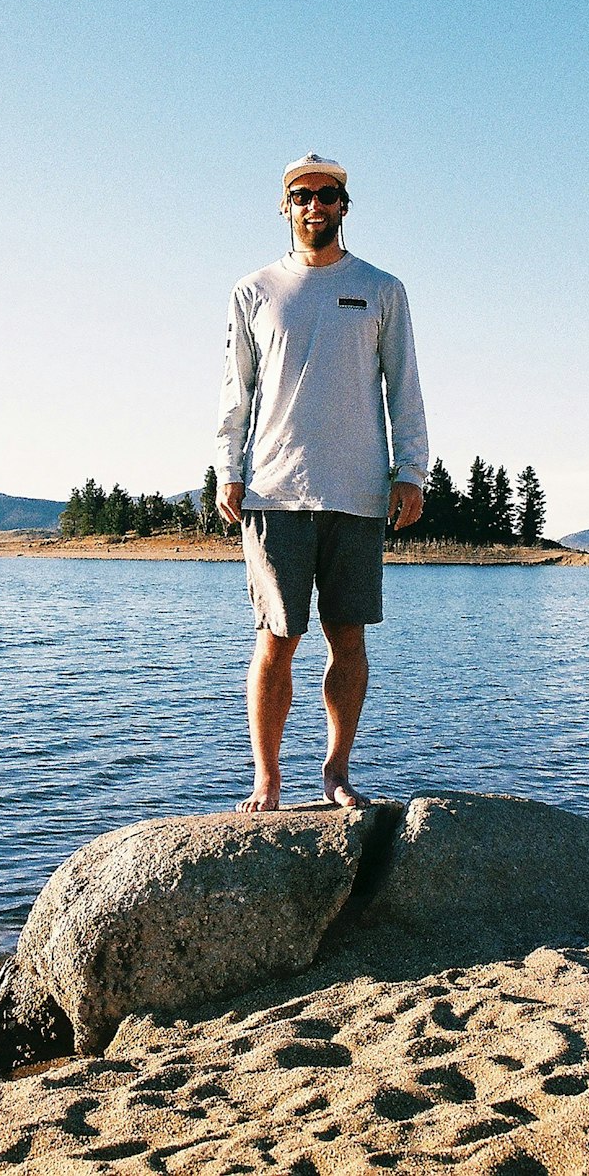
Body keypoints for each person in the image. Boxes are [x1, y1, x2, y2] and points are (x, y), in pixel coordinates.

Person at [215, 152, 428, 812]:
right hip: (275, 491)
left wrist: (411, 471)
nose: (316, 205)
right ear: (286, 206)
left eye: (328, 195)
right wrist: (227, 469)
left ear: (344, 205)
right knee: (276, 641)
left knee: (349, 638)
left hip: (358, 491)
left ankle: (336, 771)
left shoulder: (382, 290)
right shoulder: (254, 290)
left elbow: (405, 387)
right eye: (302, 195)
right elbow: (236, 391)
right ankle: (267, 777)